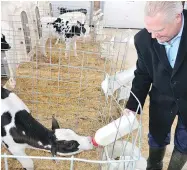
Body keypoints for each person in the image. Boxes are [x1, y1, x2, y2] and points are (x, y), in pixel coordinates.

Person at [125, 2, 187, 170]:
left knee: (184, 142)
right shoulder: (143, 40)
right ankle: (153, 165)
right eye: (150, 30)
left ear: (177, 17)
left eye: (159, 30)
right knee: (157, 136)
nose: (153, 36)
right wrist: (132, 106)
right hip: (162, 98)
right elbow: (143, 74)